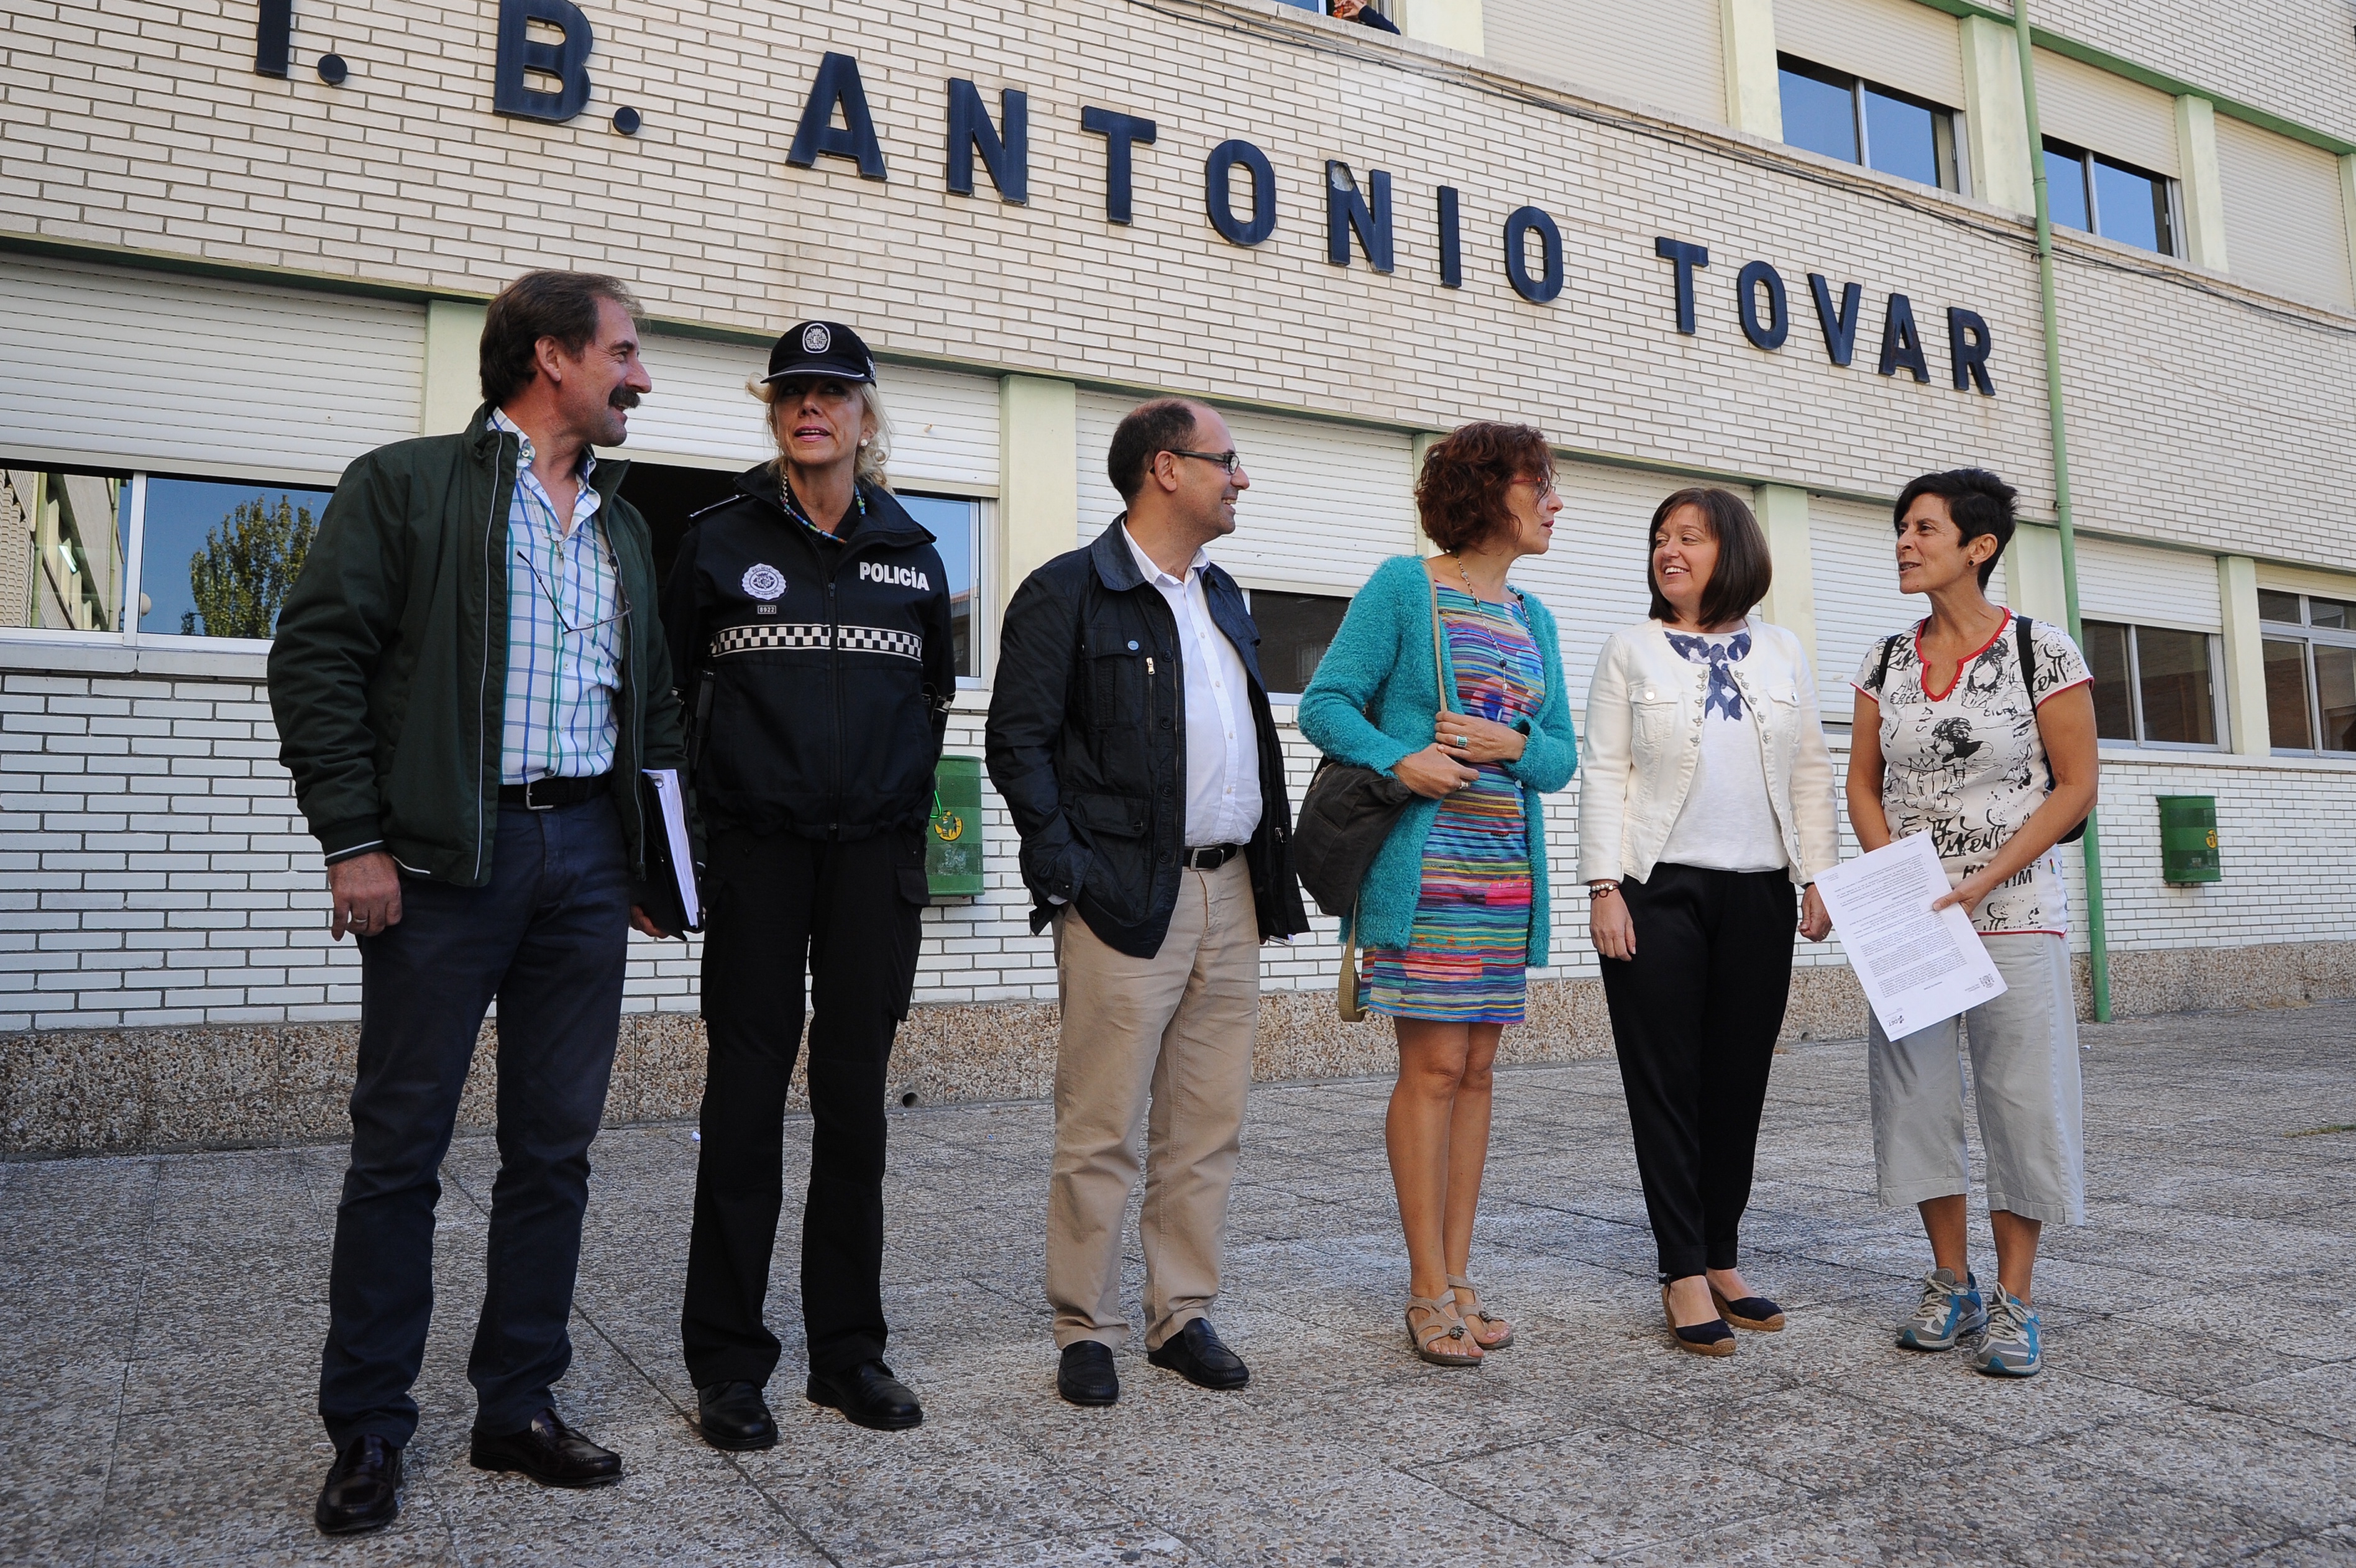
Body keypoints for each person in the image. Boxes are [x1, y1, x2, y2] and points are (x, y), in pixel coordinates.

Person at [269, 270, 685, 1534]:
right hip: (447, 861)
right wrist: (354, 839)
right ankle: (369, 1425)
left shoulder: (621, 525)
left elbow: (653, 707)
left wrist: (656, 864)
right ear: (551, 357)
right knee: (400, 1150)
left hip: (586, 861)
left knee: (553, 1149)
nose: (640, 376)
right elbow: (318, 657)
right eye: (624, 352)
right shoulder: (407, 484)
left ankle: (517, 1403)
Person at [986, 397, 1309, 1408]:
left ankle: (1181, 1312)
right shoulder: (1068, 590)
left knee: (1205, 1123)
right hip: (1123, 894)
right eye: (1226, 460)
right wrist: (1067, 871)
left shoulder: (1224, 594)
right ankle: (1085, 1326)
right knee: (1101, 1127)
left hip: (1231, 887)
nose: (1240, 478)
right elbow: (1017, 742)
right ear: (1165, 469)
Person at [666, 321, 955, 1439]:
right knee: (742, 1109)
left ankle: (847, 1352)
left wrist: (900, 839)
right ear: (773, 409)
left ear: (866, 417)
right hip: (757, 858)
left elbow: (928, 708)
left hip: (871, 866)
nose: (810, 407)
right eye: (792, 392)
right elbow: (668, 707)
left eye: (833, 392)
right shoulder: (716, 539)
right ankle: (729, 1362)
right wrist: (682, 852)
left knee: (853, 1113)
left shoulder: (913, 554)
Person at [1296, 422, 1576, 1368]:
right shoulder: (1403, 587)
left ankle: (1461, 1278)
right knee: (1431, 1070)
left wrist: (1513, 747)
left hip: (1502, 876)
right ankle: (1424, 1288)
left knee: (1478, 1072)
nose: (1554, 501)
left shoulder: (1535, 617)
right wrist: (1400, 759)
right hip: (1424, 875)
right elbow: (1325, 703)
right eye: (1539, 484)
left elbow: (1558, 757)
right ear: (1487, 492)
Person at [1846, 468, 2098, 1379]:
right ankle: (1948, 1280)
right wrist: (1893, 878)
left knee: (2019, 1101)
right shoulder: (1883, 659)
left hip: (2015, 912)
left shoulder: (2041, 650)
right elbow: (1861, 784)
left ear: (1977, 546)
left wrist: (1982, 879)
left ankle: (2013, 1297)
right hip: (1913, 919)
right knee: (1914, 1097)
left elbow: (2075, 786)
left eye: (1923, 528)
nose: (1904, 543)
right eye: (1901, 528)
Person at [1578, 488, 1840, 1356]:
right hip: (1656, 889)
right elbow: (1603, 768)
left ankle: (1721, 1255)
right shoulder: (1630, 648)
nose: (1669, 550)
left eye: (1688, 536)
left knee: (1737, 1081)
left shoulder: (1782, 649)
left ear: (1732, 550)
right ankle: (1680, 1267)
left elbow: (1809, 767)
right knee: (1665, 1081)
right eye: (1660, 537)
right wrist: (1602, 886)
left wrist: (1817, 874)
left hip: (1759, 891)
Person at [1329, 0, 1401, 33]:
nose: (1362, 2)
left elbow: (1396, 34)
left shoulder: (1371, 29)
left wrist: (1364, 11)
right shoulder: (1328, 24)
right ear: (1337, 1)